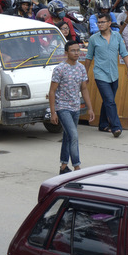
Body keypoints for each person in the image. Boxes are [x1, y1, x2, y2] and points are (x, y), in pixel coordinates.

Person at [84, 12, 128, 137]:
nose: (100, 25)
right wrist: (84, 75)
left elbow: (124, 54)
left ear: (109, 23)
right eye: (98, 22)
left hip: (114, 74)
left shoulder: (117, 36)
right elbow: (88, 58)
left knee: (107, 100)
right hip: (100, 74)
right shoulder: (93, 39)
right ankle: (116, 127)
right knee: (110, 100)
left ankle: (102, 124)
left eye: (102, 22)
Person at [49, 40, 95, 175]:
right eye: (73, 51)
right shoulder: (60, 69)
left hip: (75, 107)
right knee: (74, 135)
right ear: (66, 53)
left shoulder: (81, 68)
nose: (76, 53)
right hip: (62, 107)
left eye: (78, 50)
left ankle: (63, 166)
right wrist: (53, 112)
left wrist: (90, 108)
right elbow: (52, 91)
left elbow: (84, 89)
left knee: (68, 136)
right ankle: (77, 167)